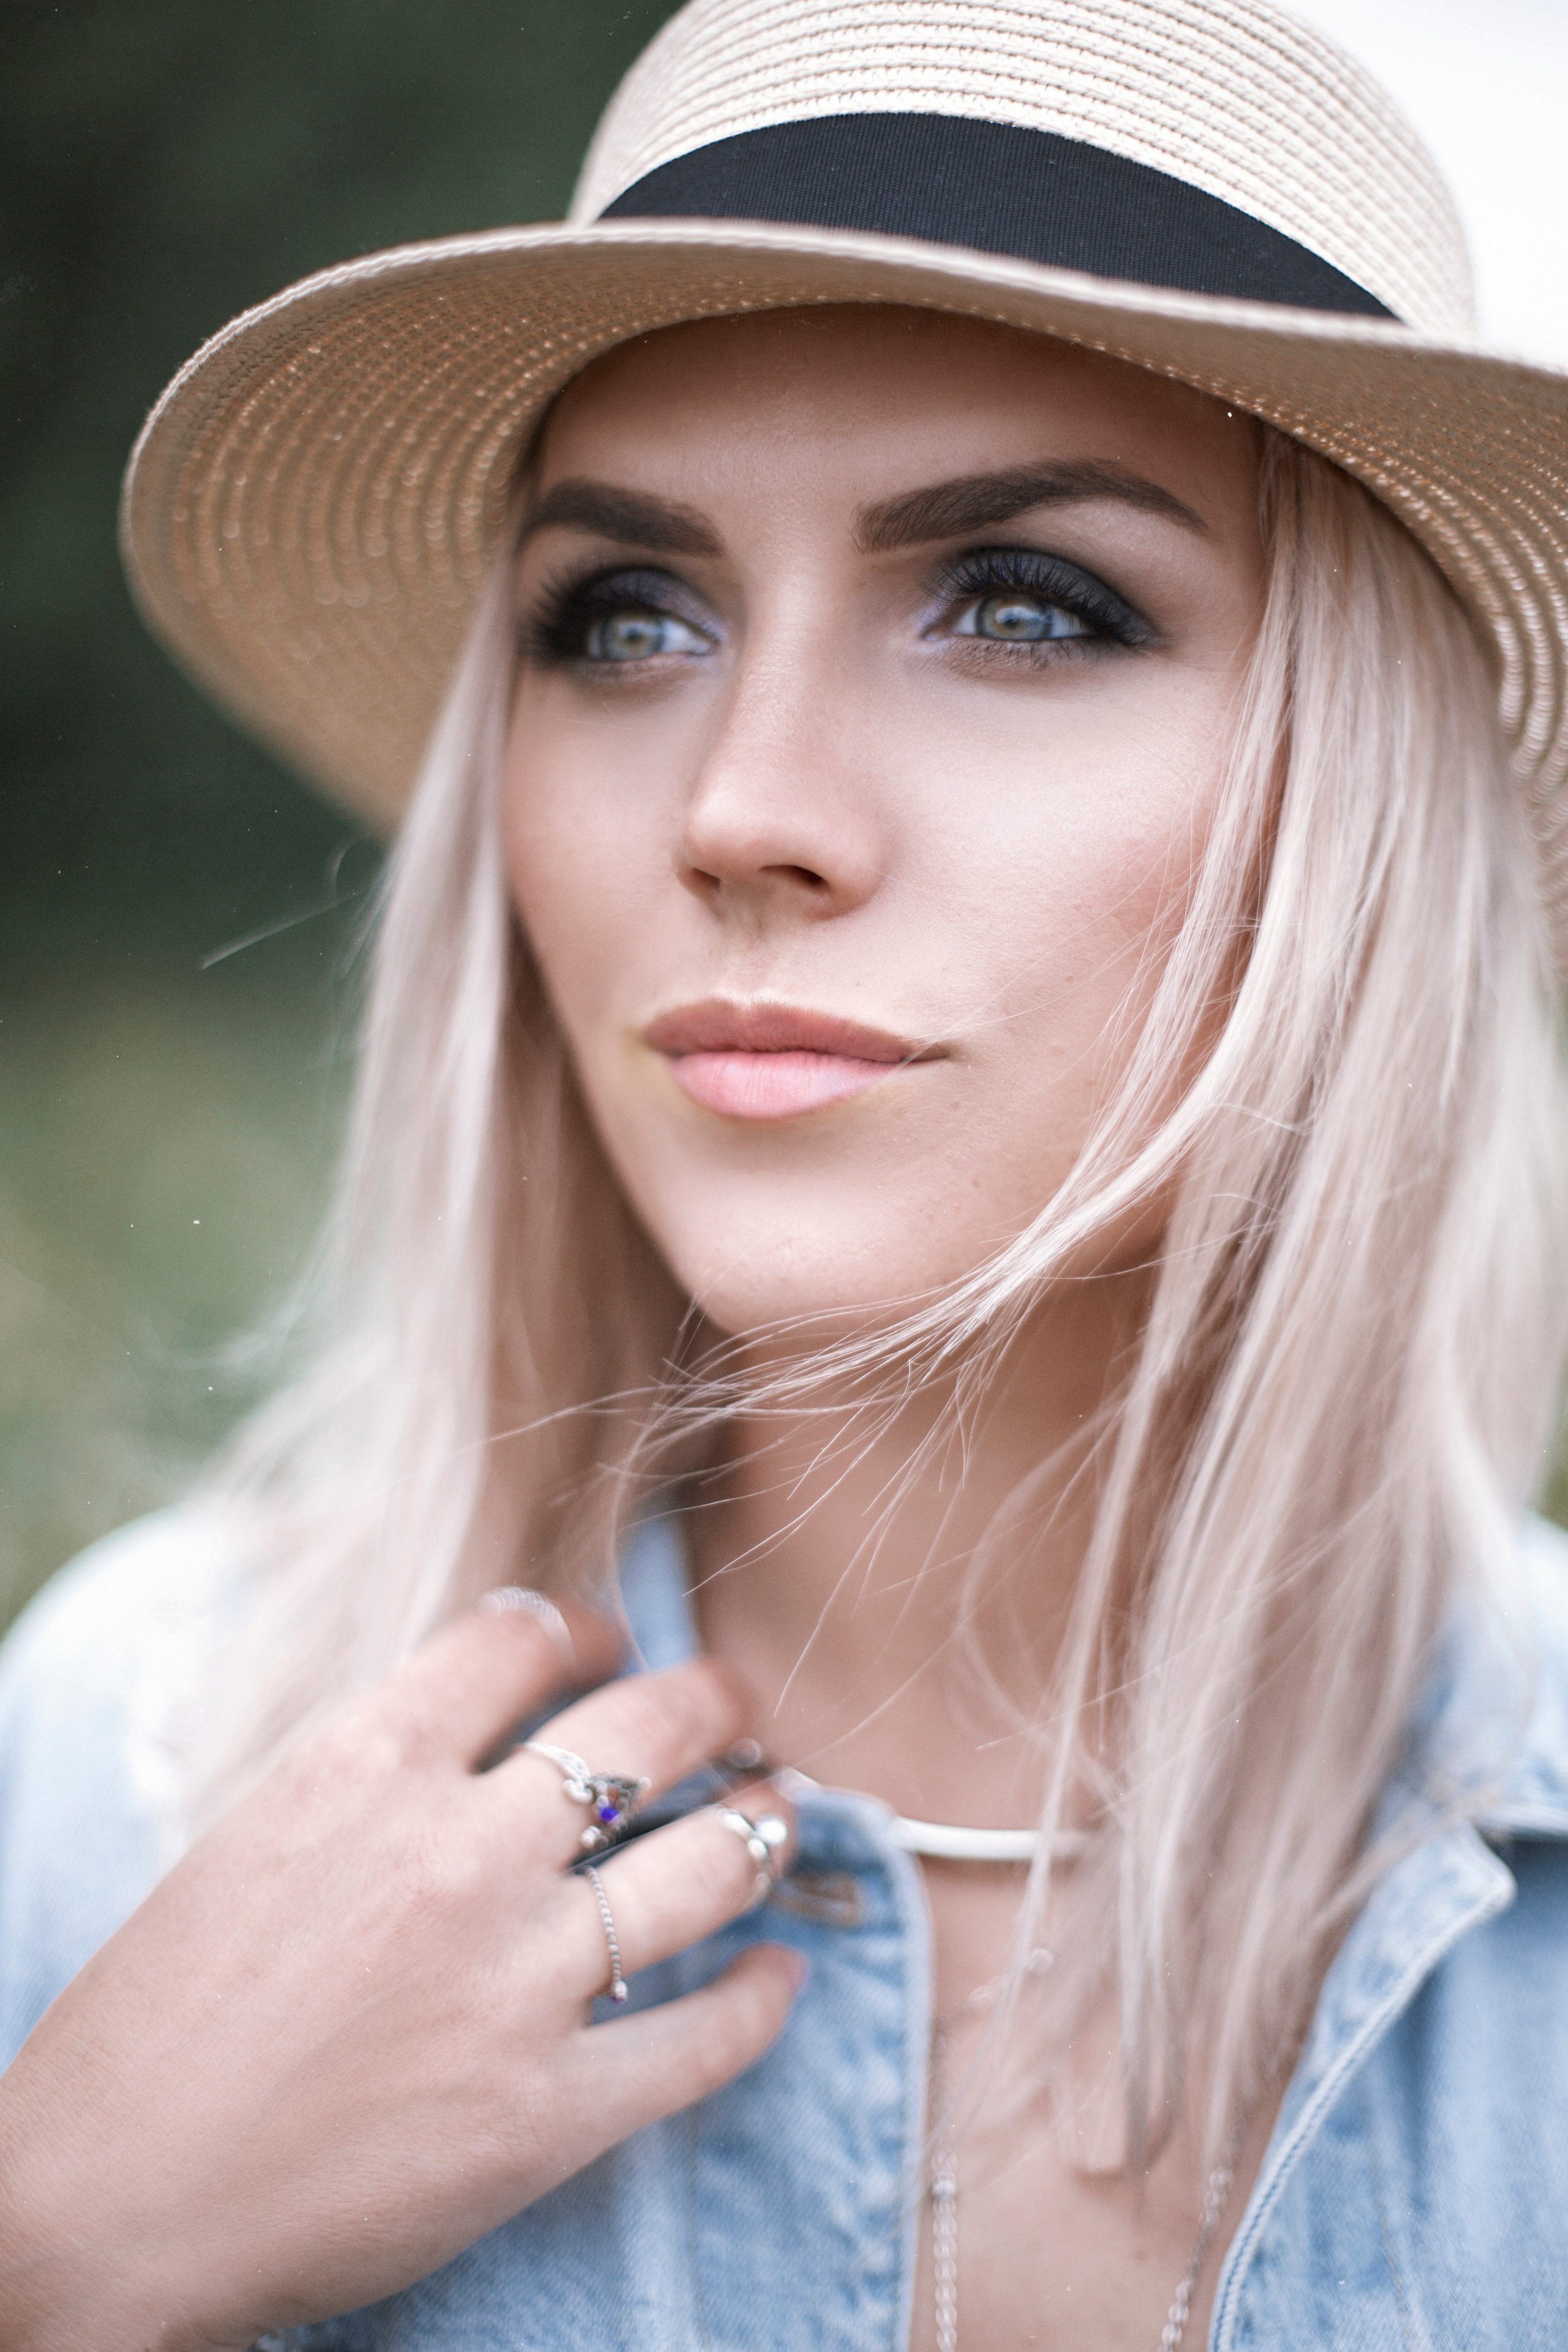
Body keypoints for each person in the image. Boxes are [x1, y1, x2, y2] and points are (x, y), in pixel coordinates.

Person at [4, 0, 1568, 2344]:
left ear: (1362, 805)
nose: (741, 808)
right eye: (625, 620)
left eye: (1025, 606)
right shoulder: (128, 1772)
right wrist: (61, 2254)